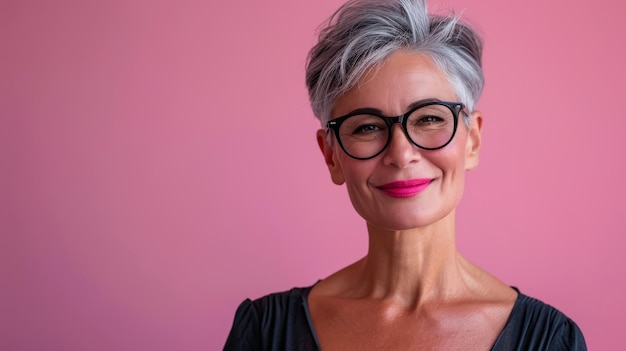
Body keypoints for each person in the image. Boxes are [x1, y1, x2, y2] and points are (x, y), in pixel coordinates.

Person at [224, 0, 587, 349]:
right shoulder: (263, 332)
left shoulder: (551, 340)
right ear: (331, 155)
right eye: (366, 127)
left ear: (472, 139)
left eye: (429, 118)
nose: (400, 154)